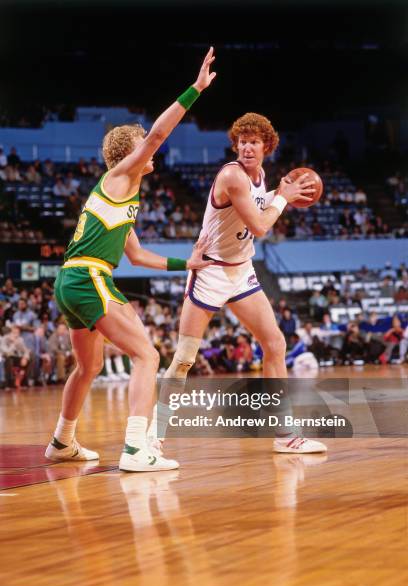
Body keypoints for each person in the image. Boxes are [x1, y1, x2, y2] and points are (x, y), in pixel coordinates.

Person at [45, 47, 217, 471]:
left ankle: (62, 442)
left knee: (88, 367)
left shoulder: (125, 198)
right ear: (129, 153)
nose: (151, 150)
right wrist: (195, 89)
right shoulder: (119, 176)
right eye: (143, 146)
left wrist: (187, 265)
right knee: (147, 355)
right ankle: (137, 449)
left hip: (71, 281)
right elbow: (158, 134)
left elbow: (137, 256)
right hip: (88, 279)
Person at [151, 112, 327, 454]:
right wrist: (283, 198)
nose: (247, 147)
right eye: (242, 141)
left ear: (267, 146)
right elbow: (261, 226)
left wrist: (285, 190)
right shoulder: (232, 176)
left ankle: (285, 433)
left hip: (241, 270)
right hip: (211, 271)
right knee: (185, 357)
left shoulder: (260, 177)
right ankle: (153, 436)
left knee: (274, 344)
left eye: (254, 142)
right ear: (235, 145)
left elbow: (263, 202)